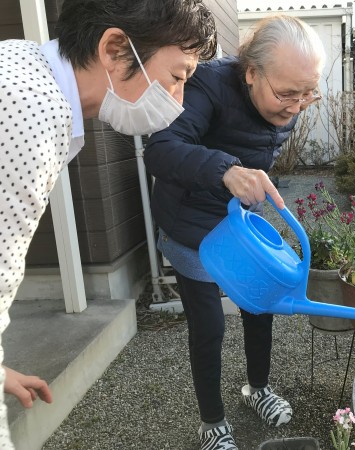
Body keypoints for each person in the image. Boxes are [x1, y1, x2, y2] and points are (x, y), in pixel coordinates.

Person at [0, 0, 216, 446]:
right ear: (115, 50)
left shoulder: (22, 63)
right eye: (177, 78)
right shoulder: (31, 116)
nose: (177, 103)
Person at [144, 14, 326, 450]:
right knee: (208, 325)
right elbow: (161, 149)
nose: (296, 106)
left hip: (238, 222)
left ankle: (257, 389)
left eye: (308, 93)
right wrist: (227, 171)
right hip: (191, 223)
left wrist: (250, 189)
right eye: (287, 94)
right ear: (251, 73)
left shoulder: (287, 99)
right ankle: (212, 423)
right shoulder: (207, 85)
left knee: (260, 305)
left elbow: (260, 147)